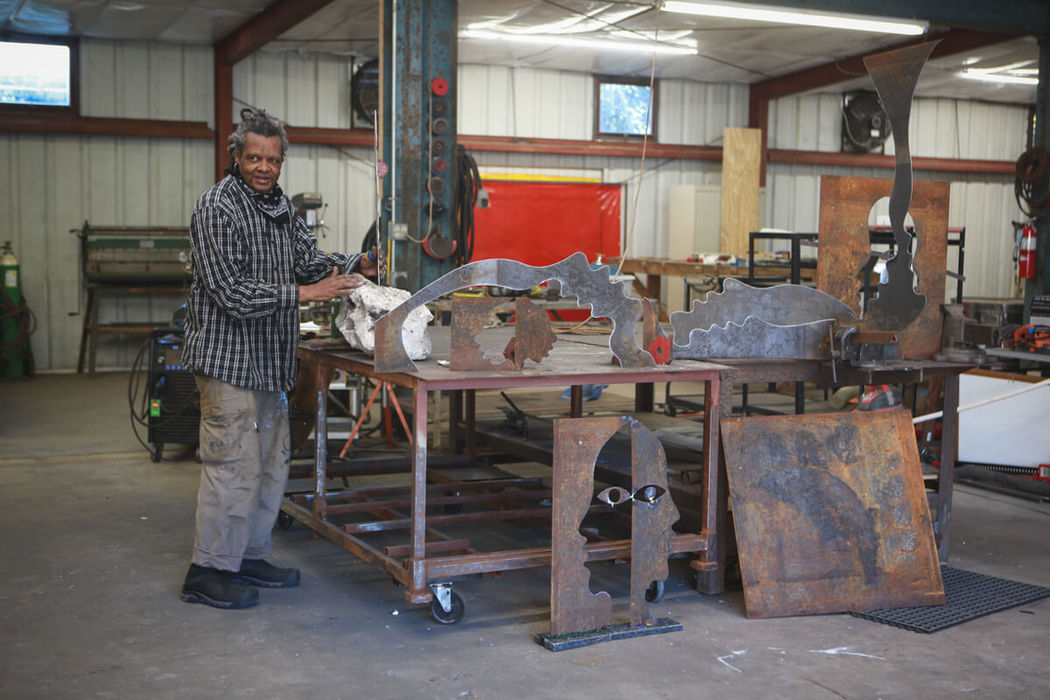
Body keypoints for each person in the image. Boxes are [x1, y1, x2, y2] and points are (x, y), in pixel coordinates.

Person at [180, 107, 379, 609]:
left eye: (272, 159)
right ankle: (207, 570)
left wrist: (358, 263)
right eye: (254, 157)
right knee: (232, 466)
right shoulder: (216, 208)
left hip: (270, 362)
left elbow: (313, 262)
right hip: (227, 361)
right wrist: (308, 293)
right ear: (235, 156)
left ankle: (248, 556)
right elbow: (233, 294)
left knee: (271, 463)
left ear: (282, 159)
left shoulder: (282, 211)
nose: (264, 167)